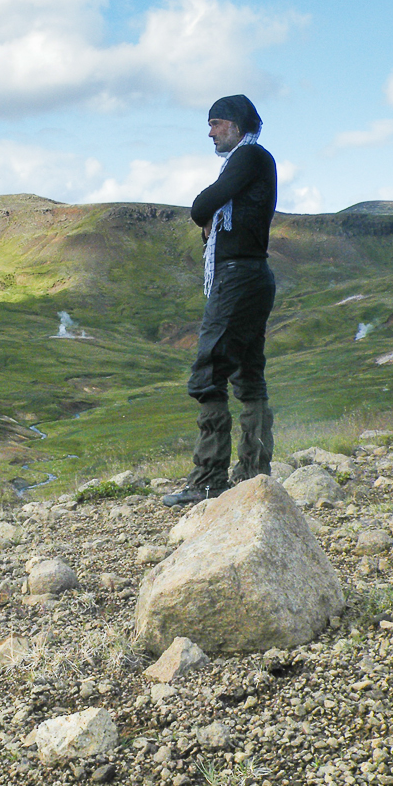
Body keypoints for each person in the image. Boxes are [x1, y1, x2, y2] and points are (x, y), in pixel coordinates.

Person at [162, 94, 277, 508]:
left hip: (237, 277)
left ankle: (208, 481)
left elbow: (201, 206)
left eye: (215, 123)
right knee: (248, 372)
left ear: (236, 124)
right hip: (251, 274)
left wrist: (205, 213)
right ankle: (253, 472)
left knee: (208, 373)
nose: (210, 133)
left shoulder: (249, 158)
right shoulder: (252, 163)